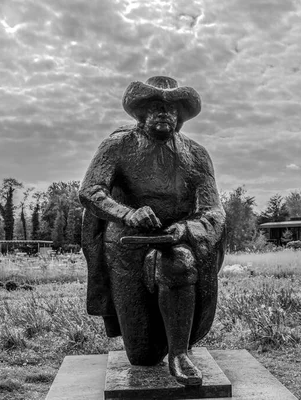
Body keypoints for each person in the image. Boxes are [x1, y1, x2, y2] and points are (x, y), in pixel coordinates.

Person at [80, 76, 226, 386]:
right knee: (143, 356)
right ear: (141, 112)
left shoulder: (196, 155)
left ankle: (178, 353)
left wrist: (184, 229)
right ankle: (161, 343)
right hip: (126, 247)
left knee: (179, 263)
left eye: (171, 108)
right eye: (156, 106)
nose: (164, 113)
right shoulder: (117, 145)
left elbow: (213, 209)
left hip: (175, 241)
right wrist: (127, 214)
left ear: (180, 115)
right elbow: (90, 191)